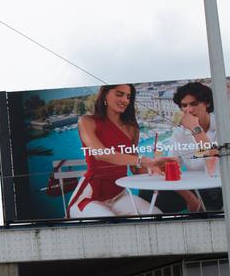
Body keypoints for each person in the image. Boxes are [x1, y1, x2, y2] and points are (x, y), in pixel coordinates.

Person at [154, 81, 230, 214]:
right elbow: (173, 164)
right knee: (156, 197)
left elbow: (222, 157)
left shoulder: (229, 123)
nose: (188, 110)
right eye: (184, 105)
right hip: (199, 188)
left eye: (194, 104)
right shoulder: (179, 132)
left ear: (207, 103)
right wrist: (163, 165)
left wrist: (196, 129)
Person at [70, 84, 163, 218]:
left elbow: (135, 169)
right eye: (119, 94)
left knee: (156, 214)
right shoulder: (86, 122)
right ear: (105, 95)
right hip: (90, 196)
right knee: (109, 222)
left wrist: (155, 168)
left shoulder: (132, 128)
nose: (125, 100)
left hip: (119, 195)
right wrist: (144, 161)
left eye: (128, 97)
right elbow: (100, 153)